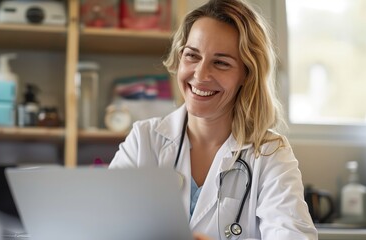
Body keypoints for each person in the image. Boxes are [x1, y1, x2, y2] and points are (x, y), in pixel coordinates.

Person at [109, 0, 318, 239]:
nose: (200, 75)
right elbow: (103, 227)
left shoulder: (270, 154)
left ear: (246, 75)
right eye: (192, 56)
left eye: (220, 62)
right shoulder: (144, 140)